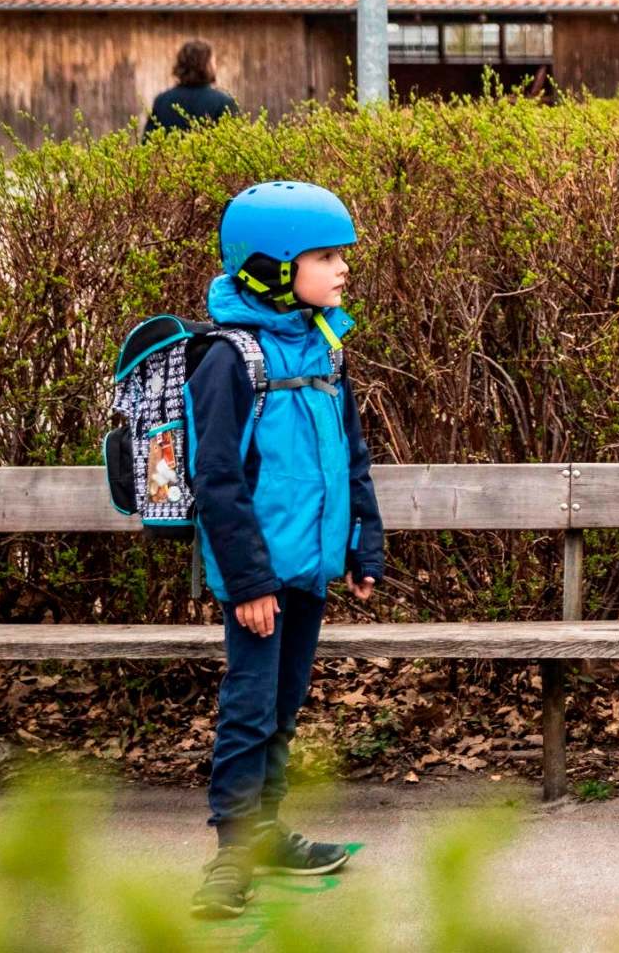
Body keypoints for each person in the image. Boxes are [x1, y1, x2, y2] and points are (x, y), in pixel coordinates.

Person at [189, 182, 385, 918]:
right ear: (273, 267)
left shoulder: (325, 345)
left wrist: (364, 544)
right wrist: (247, 583)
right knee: (249, 706)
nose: (342, 270)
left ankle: (267, 830)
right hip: (259, 579)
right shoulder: (229, 358)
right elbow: (217, 480)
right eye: (327, 256)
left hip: (309, 568)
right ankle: (232, 855)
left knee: (285, 703)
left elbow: (350, 456)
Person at [143, 40, 240, 136]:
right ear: (207, 65)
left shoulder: (162, 101)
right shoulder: (224, 103)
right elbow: (234, 144)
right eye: (213, 62)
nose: (215, 66)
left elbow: (148, 143)